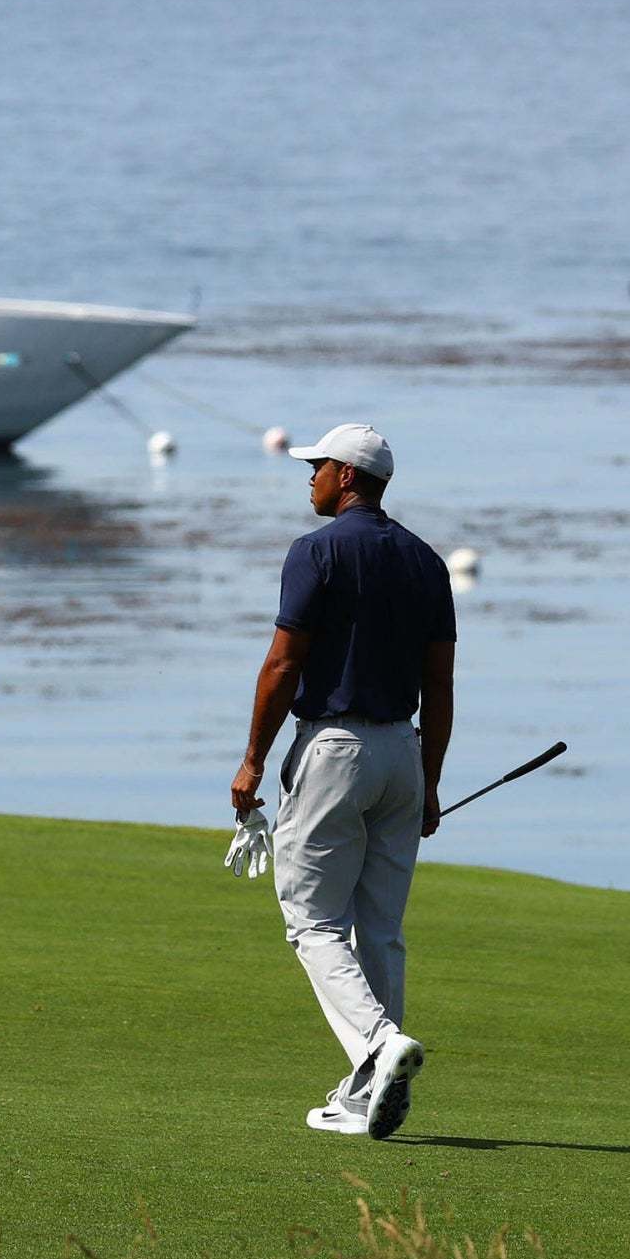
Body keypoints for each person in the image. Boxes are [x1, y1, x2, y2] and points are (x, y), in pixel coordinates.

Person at [230, 423, 456, 1139]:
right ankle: (365, 1097)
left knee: (314, 921)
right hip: (402, 754)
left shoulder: (317, 550)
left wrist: (252, 762)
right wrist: (431, 781)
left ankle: (377, 1047)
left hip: (335, 749)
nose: (310, 478)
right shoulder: (427, 561)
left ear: (348, 477)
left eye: (318, 467)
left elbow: (283, 665)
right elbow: (440, 683)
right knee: (381, 931)